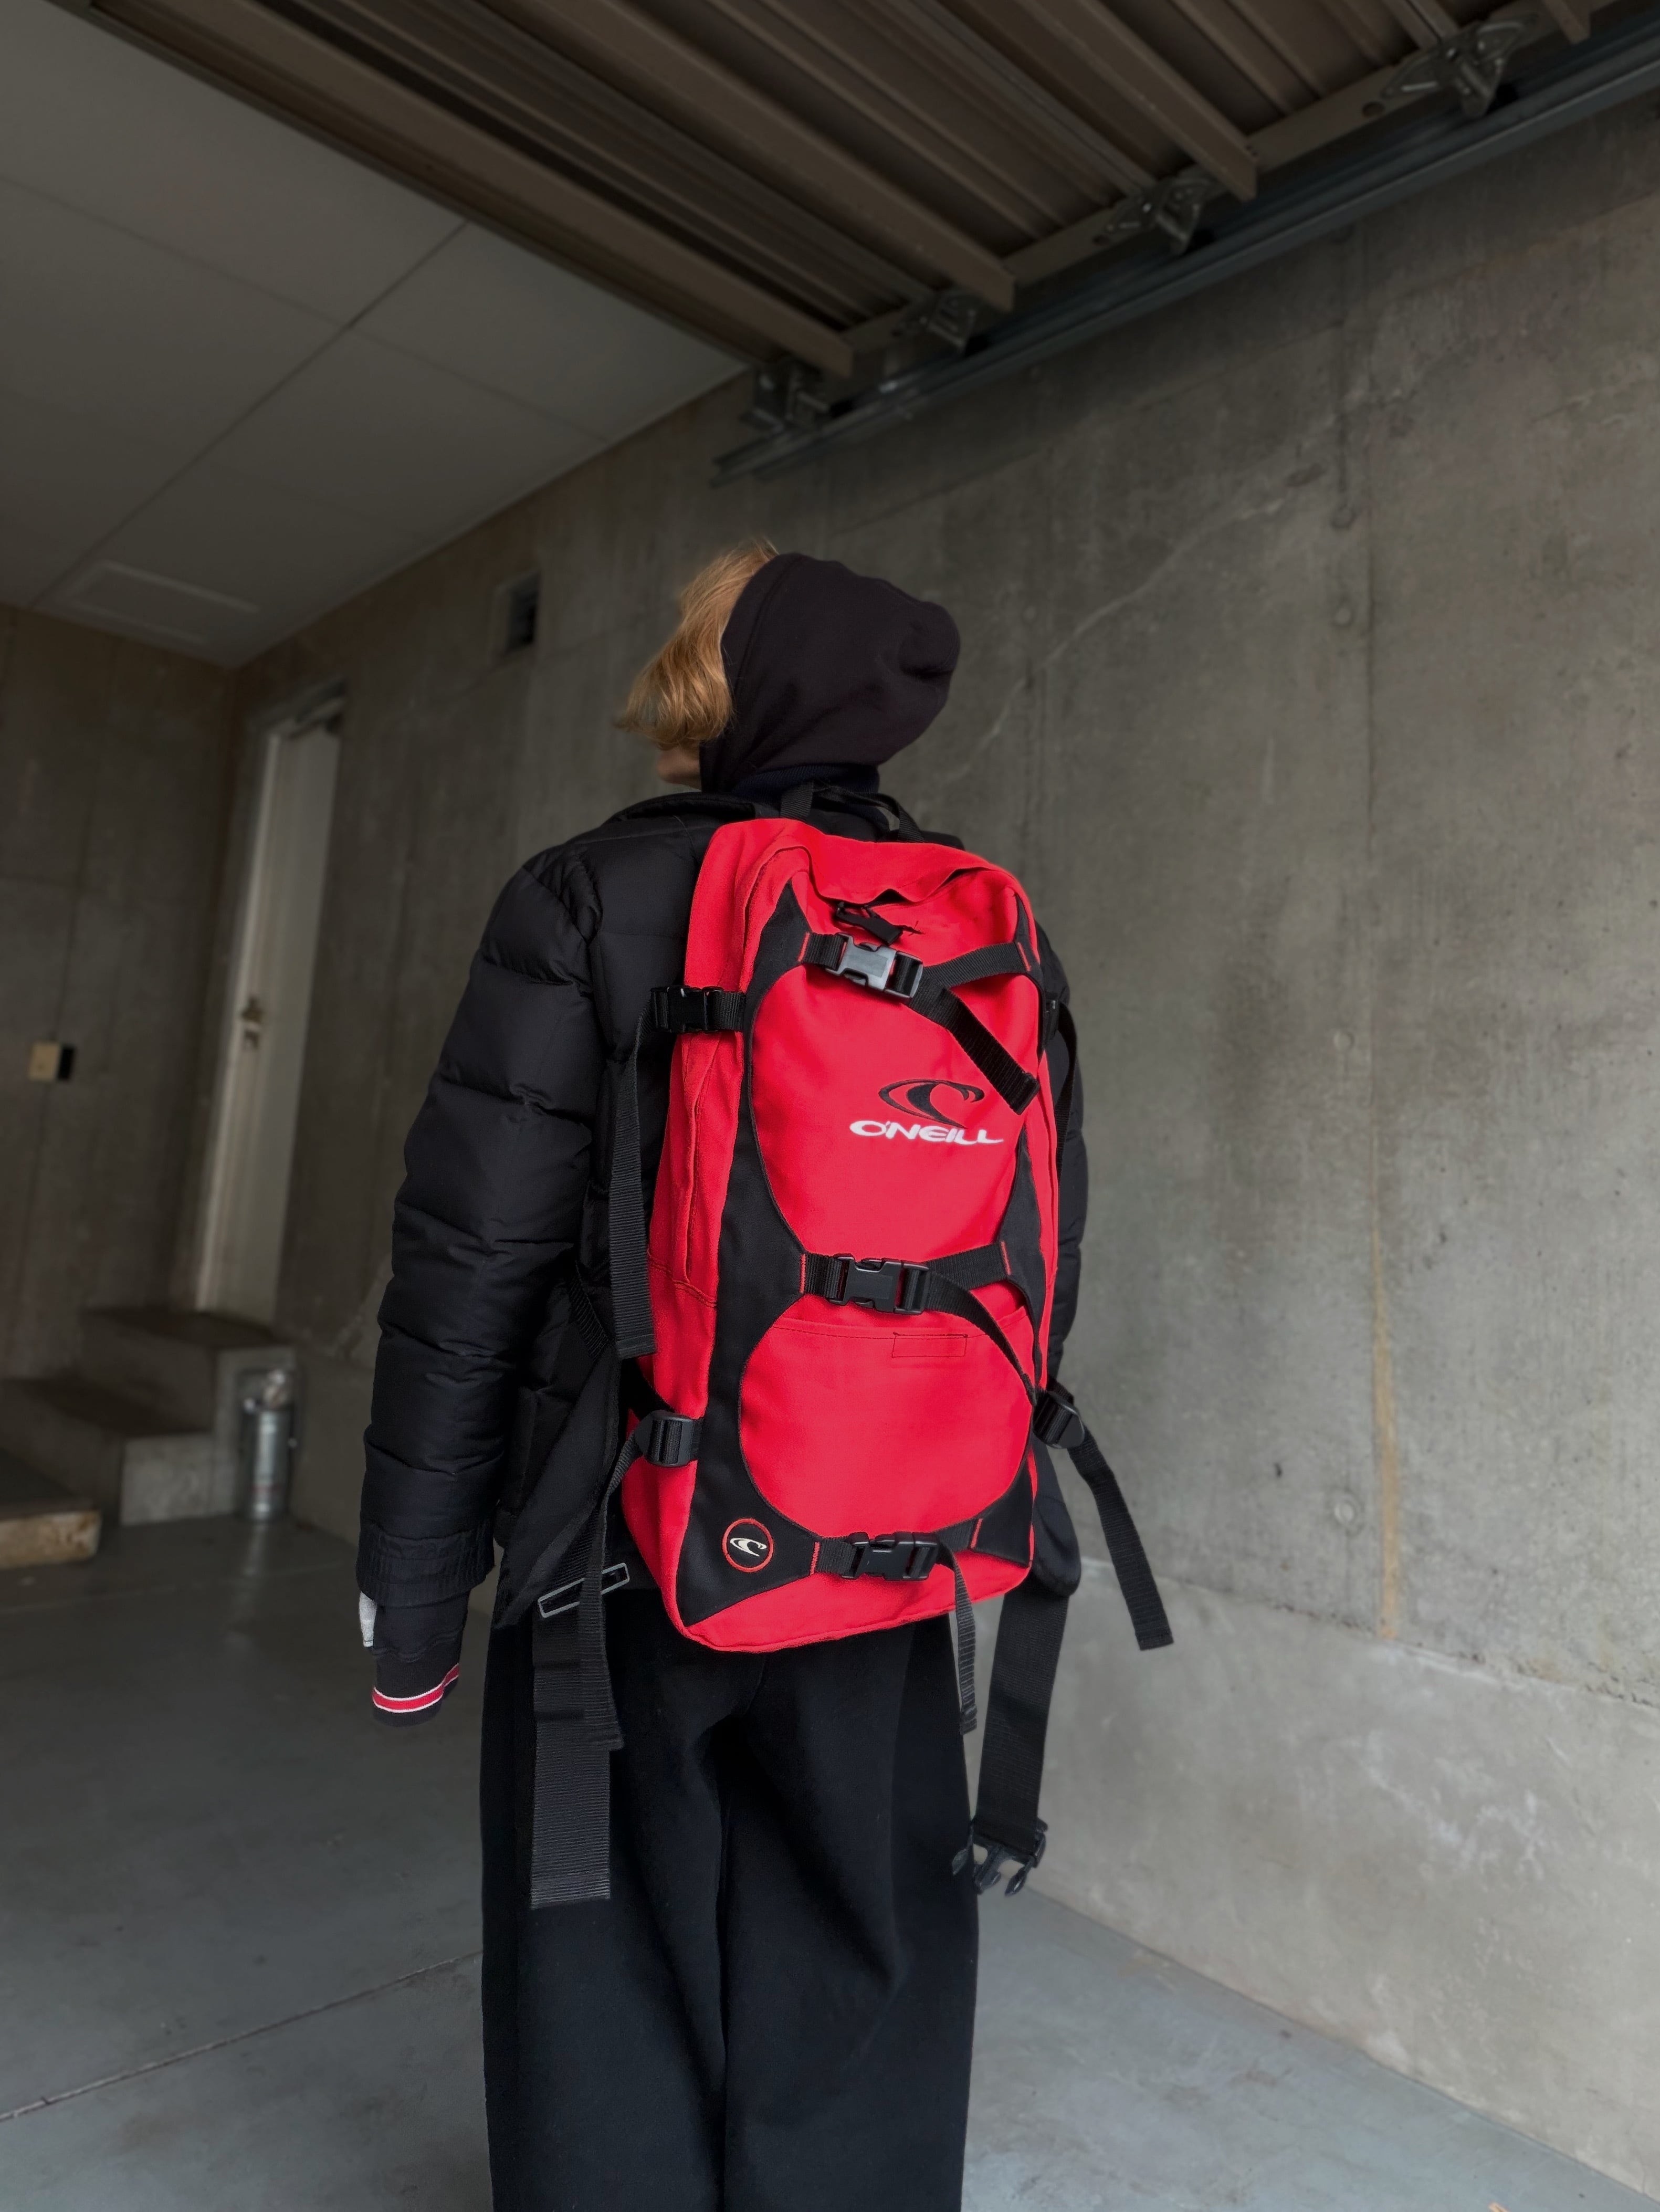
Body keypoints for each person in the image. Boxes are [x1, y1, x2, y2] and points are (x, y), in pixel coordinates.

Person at [355, 544, 1087, 2212]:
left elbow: (469, 1268)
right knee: (864, 1939)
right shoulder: (983, 920)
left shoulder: (586, 895)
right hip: (892, 1537)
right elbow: (1044, 1257)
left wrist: (414, 1590)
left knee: (601, 1960)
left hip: (615, 1544)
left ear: (720, 685)